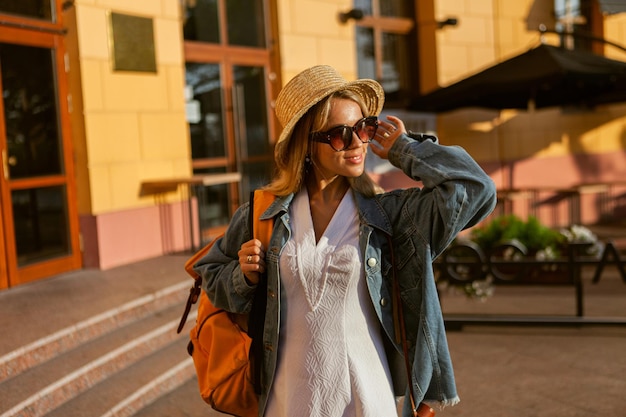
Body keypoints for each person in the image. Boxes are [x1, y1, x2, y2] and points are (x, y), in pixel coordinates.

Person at [194, 65, 497, 417]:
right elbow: (210, 275)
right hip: (288, 399)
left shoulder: (391, 217)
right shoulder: (262, 215)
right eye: (340, 135)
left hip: (367, 396)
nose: (357, 144)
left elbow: (475, 189)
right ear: (307, 144)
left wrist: (403, 149)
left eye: (364, 128)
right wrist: (242, 277)